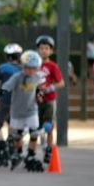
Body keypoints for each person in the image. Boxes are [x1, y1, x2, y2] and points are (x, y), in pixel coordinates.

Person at [2, 50, 45, 172]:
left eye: (34, 68)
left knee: (34, 133)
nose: (31, 71)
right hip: (17, 111)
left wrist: (39, 94)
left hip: (31, 110)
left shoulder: (37, 76)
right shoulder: (17, 77)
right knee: (17, 135)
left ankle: (31, 155)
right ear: (23, 66)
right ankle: (19, 153)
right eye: (28, 68)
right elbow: (6, 87)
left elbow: (39, 88)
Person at [35, 35, 64, 164]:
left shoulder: (53, 66)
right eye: (41, 48)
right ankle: (38, 150)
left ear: (51, 51)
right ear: (37, 50)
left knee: (49, 127)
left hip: (49, 100)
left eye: (47, 48)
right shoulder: (33, 65)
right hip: (35, 101)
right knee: (36, 127)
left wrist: (49, 88)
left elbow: (61, 83)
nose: (44, 51)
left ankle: (49, 150)